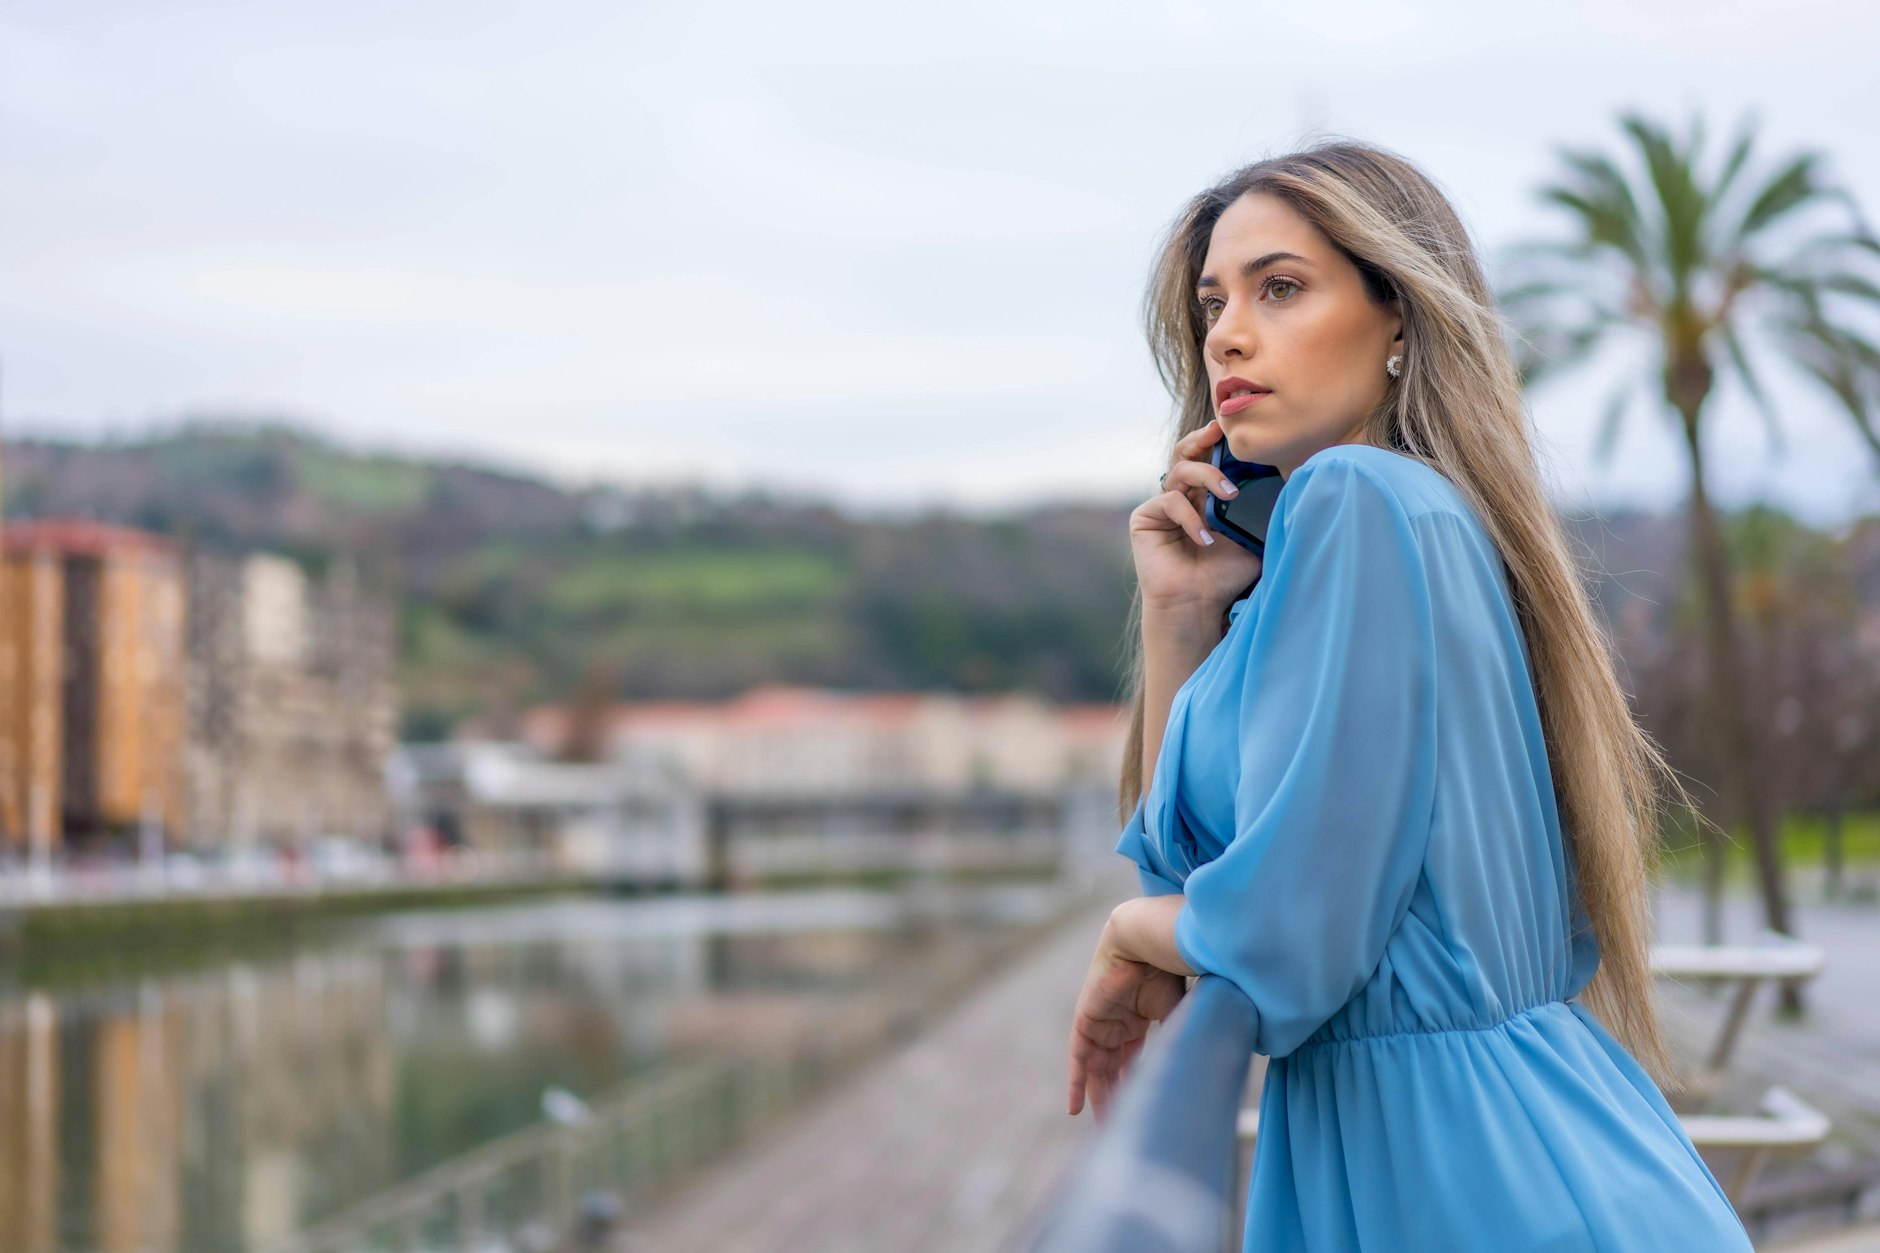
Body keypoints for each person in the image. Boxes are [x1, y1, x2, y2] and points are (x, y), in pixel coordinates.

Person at [1063, 141, 1753, 1251]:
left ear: (1397, 317)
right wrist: (1181, 613)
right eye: (1211, 301)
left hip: (1462, 1166)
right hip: (1461, 1148)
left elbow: (1275, 935)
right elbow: (1199, 880)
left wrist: (1125, 931)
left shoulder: (1356, 499)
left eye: (1278, 288)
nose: (1227, 332)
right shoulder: (1368, 535)